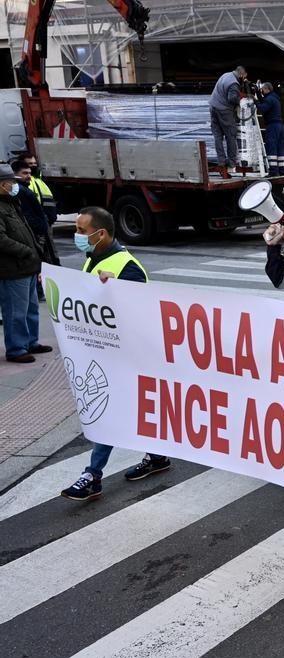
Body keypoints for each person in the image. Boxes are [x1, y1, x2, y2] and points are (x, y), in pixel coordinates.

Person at [59, 207, 172, 500]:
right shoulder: (93, 259)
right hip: (105, 354)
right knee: (130, 412)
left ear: (102, 234)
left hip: (129, 357)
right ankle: (158, 457)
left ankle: (92, 476)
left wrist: (117, 289)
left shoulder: (127, 267)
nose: (78, 236)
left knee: (108, 415)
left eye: (82, 231)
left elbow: (141, 311)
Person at [0, 163, 50, 364]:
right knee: (15, 312)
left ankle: (30, 342)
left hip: (26, 266)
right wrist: (26, 250)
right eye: (11, 182)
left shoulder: (11, 203)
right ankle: (16, 349)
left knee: (30, 308)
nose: (14, 186)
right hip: (13, 269)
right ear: (2, 184)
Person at [11, 159, 58, 267]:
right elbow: (26, 214)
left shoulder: (27, 187)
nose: (29, 176)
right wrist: (38, 227)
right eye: (24, 173)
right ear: (14, 174)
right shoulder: (20, 191)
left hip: (39, 231)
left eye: (29, 173)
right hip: (35, 233)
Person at [208, 65, 247, 179]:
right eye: (244, 77)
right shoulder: (234, 83)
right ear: (241, 74)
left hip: (213, 107)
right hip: (223, 110)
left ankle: (221, 161)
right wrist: (242, 99)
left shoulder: (225, 75)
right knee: (231, 135)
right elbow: (232, 98)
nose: (243, 79)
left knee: (218, 136)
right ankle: (231, 162)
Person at [14, 151, 57, 227]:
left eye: (34, 163)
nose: (33, 165)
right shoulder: (25, 182)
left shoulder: (38, 179)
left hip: (46, 221)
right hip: (38, 222)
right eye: (30, 164)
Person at [255, 81, 284, 177]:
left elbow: (263, 108)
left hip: (272, 126)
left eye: (263, 90)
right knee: (280, 148)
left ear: (267, 89)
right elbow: (265, 100)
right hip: (280, 126)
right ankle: (283, 170)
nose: (262, 92)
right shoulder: (275, 98)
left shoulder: (269, 99)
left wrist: (255, 100)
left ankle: (273, 171)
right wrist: (259, 95)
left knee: (271, 147)